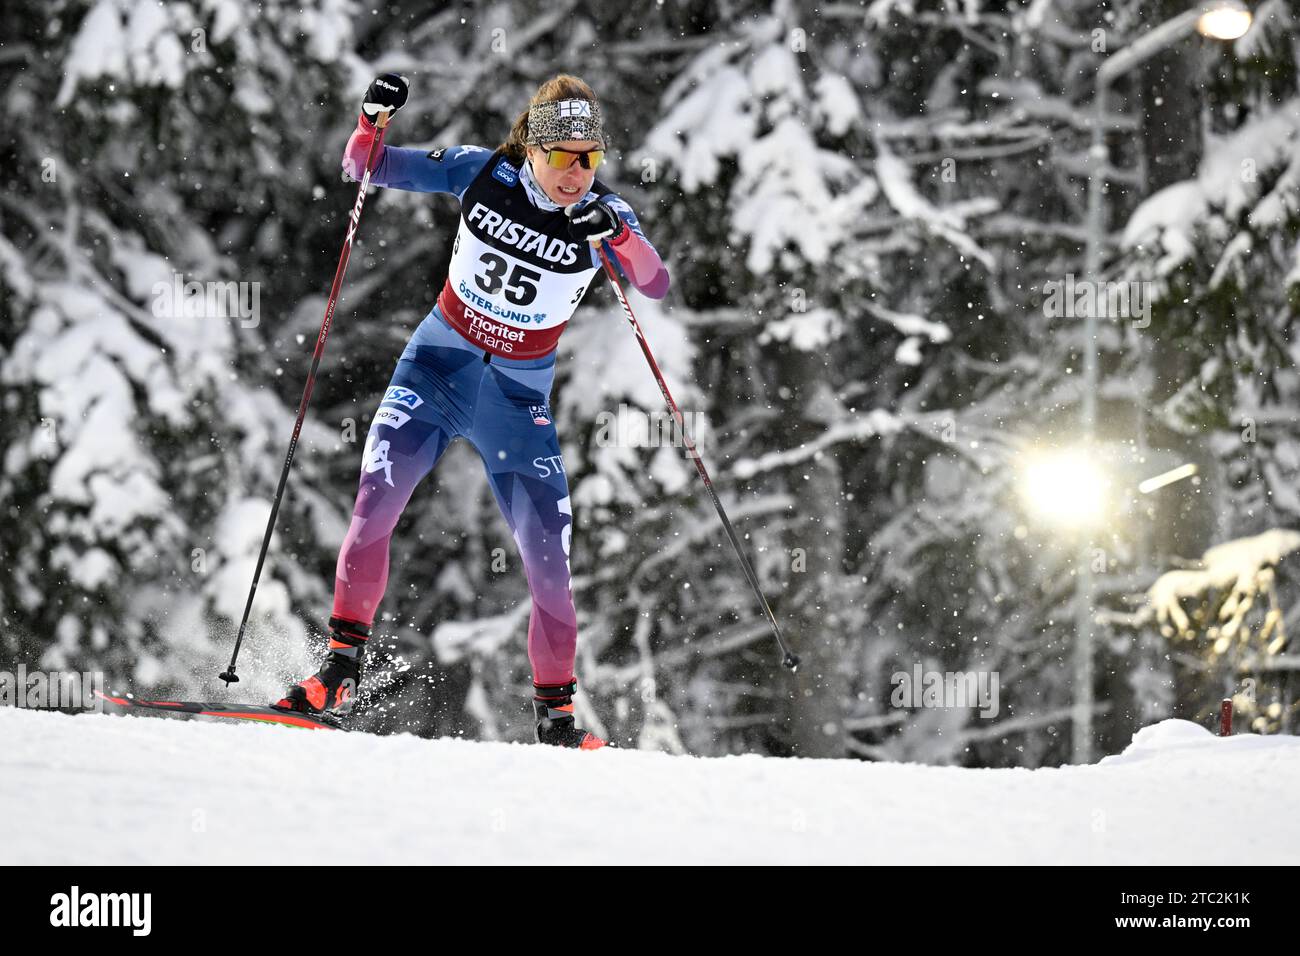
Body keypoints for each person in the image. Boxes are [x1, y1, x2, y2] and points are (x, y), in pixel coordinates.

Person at [274, 72, 670, 749]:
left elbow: (655, 281)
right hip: (434, 373)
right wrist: (373, 121)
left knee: (549, 561)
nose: (579, 173)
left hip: (515, 403)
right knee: (377, 501)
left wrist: (619, 237)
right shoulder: (481, 172)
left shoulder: (603, 210)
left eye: (591, 158)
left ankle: (558, 721)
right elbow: (363, 167)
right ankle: (338, 671)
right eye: (564, 156)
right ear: (532, 151)